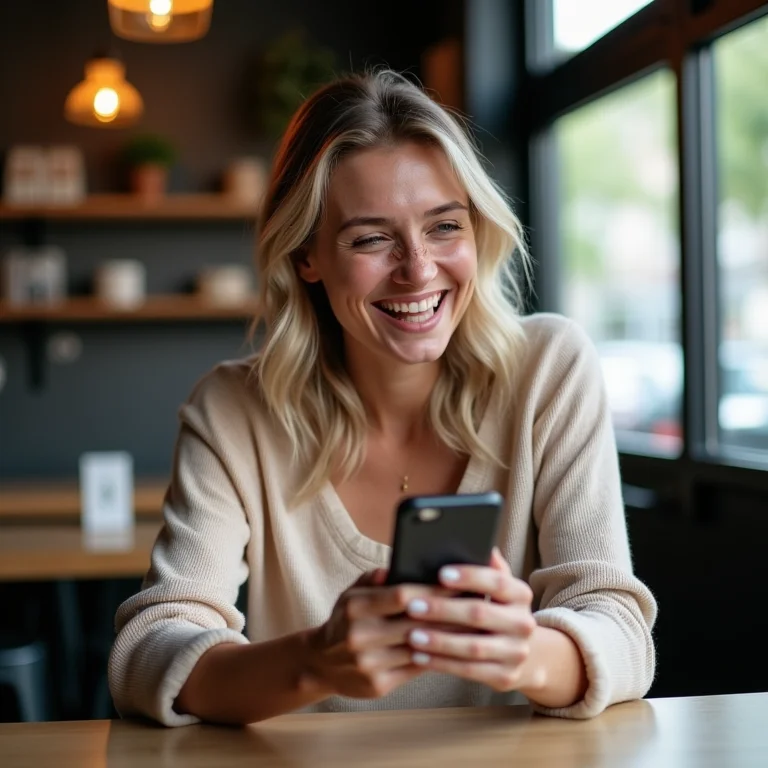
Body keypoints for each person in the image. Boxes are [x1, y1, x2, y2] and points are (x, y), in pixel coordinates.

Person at [108, 69, 656, 727]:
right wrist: (316, 663)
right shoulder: (234, 409)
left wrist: (527, 656)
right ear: (307, 255)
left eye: (444, 226)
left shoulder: (548, 370)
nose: (418, 269)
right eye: (371, 238)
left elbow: (620, 629)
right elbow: (149, 649)